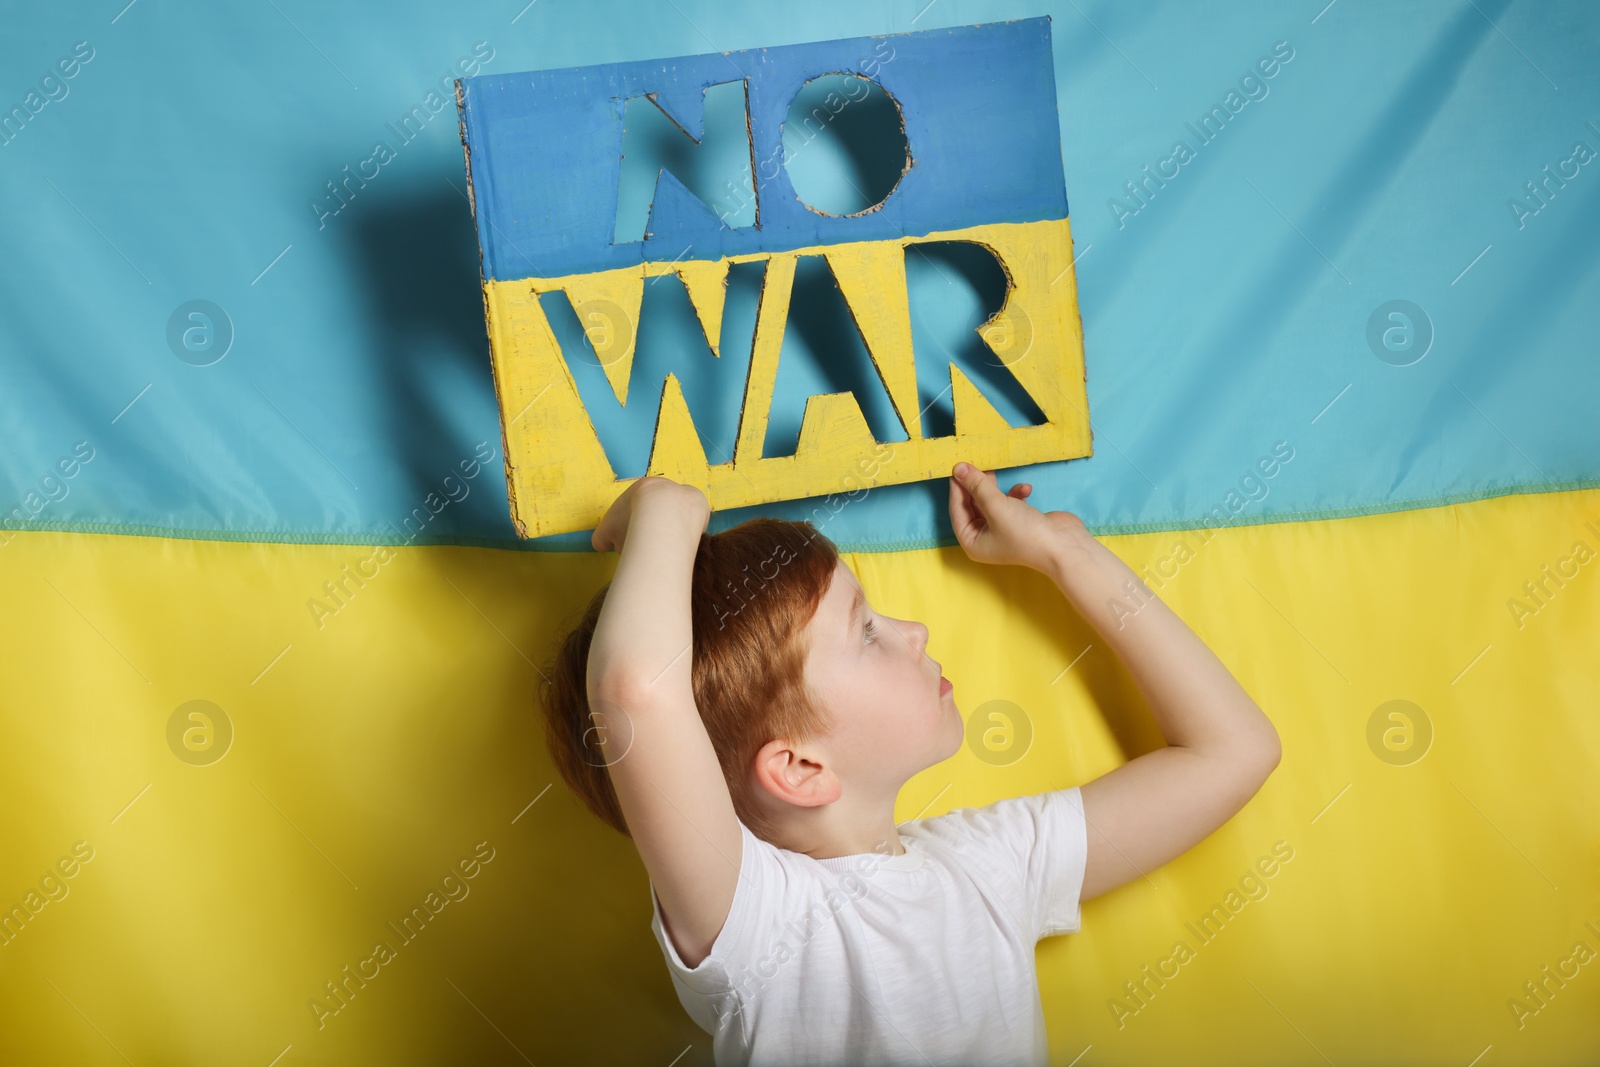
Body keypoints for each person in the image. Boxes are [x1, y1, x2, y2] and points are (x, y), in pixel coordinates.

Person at [539, 462, 1281, 1066]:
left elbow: (1235, 749)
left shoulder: (992, 864)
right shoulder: (758, 921)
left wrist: (1065, 551)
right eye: (866, 630)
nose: (916, 630)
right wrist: (668, 509)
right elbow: (637, 694)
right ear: (798, 766)